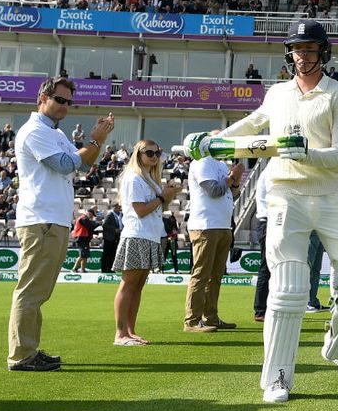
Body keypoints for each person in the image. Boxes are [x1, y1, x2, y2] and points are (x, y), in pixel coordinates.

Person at [208, 18, 338, 402]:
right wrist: (215, 138)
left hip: (331, 195)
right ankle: (278, 378)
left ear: (322, 52)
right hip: (285, 195)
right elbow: (253, 125)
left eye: (310, 49)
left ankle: (337, 347)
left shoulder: (337, 95)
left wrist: (307, 152)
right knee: (288, 289)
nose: (303, 55)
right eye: (298, 49)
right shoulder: (278, 94)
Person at [8, 76, 114, 371]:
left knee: (38, 291)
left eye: (69, 102)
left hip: (51, 218)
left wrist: (95, 143)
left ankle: (29, 349)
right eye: (60, 100)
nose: (65, 107)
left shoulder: (55, 133)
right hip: (41, 219)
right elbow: (68, 165)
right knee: (31, 290)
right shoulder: (34, 131)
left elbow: (85, 163)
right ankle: (21, 355)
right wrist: (95, 140)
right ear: (43, 98)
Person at [113, 140, 181, 346]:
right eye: (149, 152)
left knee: (138, 285)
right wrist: (162, 197)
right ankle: (120, 334)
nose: (154, 156)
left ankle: (130, 331)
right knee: (129, 284)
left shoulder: (149, 179)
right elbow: (140, 210)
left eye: (157, 153)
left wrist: (166, 195)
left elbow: (156, 208)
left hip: (149, 235)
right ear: (138, 154)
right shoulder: (134, 179)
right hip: (136, 234)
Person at [184, 153, 244, 333]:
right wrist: (232, 177)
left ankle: (211, 317)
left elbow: (231, 195)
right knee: (202, 274)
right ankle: (192, 321)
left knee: (216, 275)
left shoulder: (220, 165)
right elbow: (214, 191)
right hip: (205, 225)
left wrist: (234, 180)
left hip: (223, 225)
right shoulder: (202, 163)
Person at [253, 173, 273, 323]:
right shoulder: (271, 173)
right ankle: (260, 310)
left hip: (268, 221)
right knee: (266, 267)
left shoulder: (268, 172)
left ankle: (263, 309)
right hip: (268, 221)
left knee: (268, 267)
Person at [70, 207, 99, 272]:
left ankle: (83, 269)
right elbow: (90, 227)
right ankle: (74, 268)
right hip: (81, 238)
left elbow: (90, 226)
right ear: (89, 213)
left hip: (84, 239)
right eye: (91, 214)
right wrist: (98, 223)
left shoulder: (84, 219)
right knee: (82, 254)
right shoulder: (83, 218)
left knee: (85, 255)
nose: (92, 216)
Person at [101, 202, 122, 273]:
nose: (120, 209)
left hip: (116, 237)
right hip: (109, 237)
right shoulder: (110, 215)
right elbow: (104, 225)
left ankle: (110, 268)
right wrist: (114, 229)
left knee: (113, 253)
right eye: (119, 207)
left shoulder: (120, 215)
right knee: (107, 254)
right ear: (115, 207)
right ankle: (104, 269)